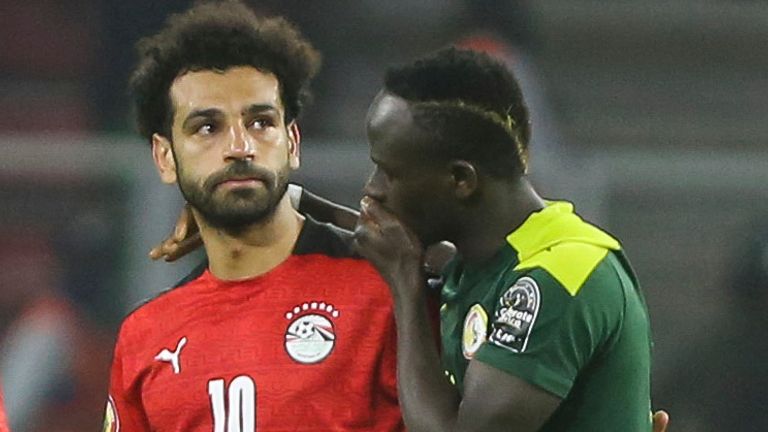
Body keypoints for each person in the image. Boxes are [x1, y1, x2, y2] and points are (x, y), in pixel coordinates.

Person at [104, 1, 402, 430]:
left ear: (292, 142)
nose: (240, 147)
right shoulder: (144, 336)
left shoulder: (385, 293)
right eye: (207, 127)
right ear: (165, 157)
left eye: (261, 122)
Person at [352, 47, 657, 431]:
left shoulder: (558, 273)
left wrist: (404, 284)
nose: (372, 188)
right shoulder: (478, 267)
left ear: (461, 180)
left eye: (388, 172)